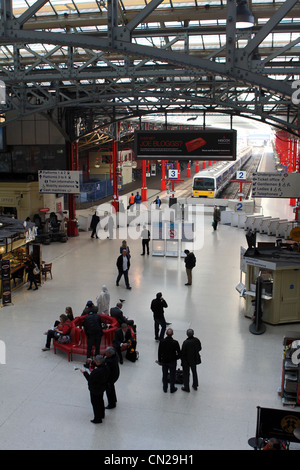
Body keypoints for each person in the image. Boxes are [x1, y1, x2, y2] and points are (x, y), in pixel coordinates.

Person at [80, 355, 108, 424]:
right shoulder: (105, 367)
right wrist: (92, 362)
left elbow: (90, 379)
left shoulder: (97, 372)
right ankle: (102, 414)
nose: (94, 362)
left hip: (95, 389)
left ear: (99, 362)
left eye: (95, 361)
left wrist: (85, 373)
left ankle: (97, 419)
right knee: (100, 401)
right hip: (101, 388)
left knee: (95, 404)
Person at [158, 328, 181, 393]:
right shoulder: (175, 342)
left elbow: (159, 352)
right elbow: (179, 353)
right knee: (172, 375)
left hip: (164, 361)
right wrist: (176, 358)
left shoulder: (162, 341)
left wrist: (160, 360)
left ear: (166, 333)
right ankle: (172, 388)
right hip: (172, 361)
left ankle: (165, 388)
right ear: (172, 334)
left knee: (164, 374)